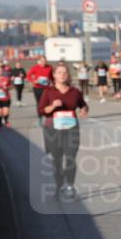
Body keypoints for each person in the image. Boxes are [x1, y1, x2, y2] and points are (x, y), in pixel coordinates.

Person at [38, 62, 88, 200]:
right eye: (59, 72)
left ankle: (70, 187)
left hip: (71, 129)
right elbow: (42, 110)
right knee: (57, 161)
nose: (62, 75)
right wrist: (53, 106)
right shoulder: (49, 92)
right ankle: (59, 185)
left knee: (71, 158)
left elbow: (82, 104)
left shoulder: (75, 92)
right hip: (53, 129)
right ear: (54, 75)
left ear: (68, 75)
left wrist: (84, 109)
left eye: (65, 72)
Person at [26, 56, 54, 124]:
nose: (43, 62)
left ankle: (48, 117)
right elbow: (28, 76)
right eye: (42, 61)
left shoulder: (49, 67)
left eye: (45, 61)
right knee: (39, 103)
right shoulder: (35, 67)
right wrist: (34, 81)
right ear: (39, 61)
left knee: (48, 103)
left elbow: (52, 77)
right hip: (37, 88)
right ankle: (39, 118)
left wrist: (52, 83)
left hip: (47, 88)